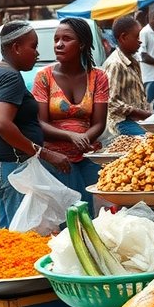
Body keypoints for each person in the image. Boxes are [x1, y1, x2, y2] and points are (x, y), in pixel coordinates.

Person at [0, 21, 71, 228]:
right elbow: (1, 124)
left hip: (2, 165)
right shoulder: (10, 77)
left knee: (8, 233)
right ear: (16, 47)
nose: (37, 53)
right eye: (33, 46)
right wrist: (44, 153)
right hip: (11, 166)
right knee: (22, 234)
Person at [33, 17, 109, 207]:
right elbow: (40, 123)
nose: (59, 44)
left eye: (66, 39)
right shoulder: (44, 77)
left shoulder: (98, 77)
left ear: (82, 44)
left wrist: (83, 139)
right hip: (57, 158)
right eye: (56, 39)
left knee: (91, 212)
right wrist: (71, 136)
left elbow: (99, 123)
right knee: (70, 213)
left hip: (88, 155)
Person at [102, 15, 154, 137]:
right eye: (137, 37)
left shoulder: (133, 62)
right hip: (121, 122)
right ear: (123, 37)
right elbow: (111, 102)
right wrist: (139, 113)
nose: (140, 41)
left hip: (137, 120)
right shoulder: (115, 64)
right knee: (151, 139)